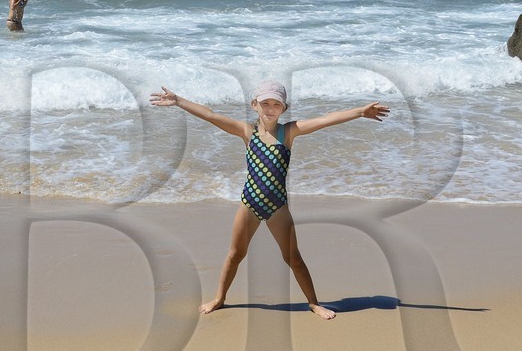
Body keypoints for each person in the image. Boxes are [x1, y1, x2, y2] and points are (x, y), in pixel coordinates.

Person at [149, 79, 389, 319]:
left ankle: (314, 303)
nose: (270, 108)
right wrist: (179, 101)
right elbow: (211, 116)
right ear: (255, 105)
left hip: (278, 208)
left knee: (293, 258)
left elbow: (325, 120)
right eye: (265, 103)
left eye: (276, 104)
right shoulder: (247, 132)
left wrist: (359, 112)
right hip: (249, 204)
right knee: (235, 254)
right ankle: (219, 298)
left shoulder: (289, 132)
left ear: (284, 108)